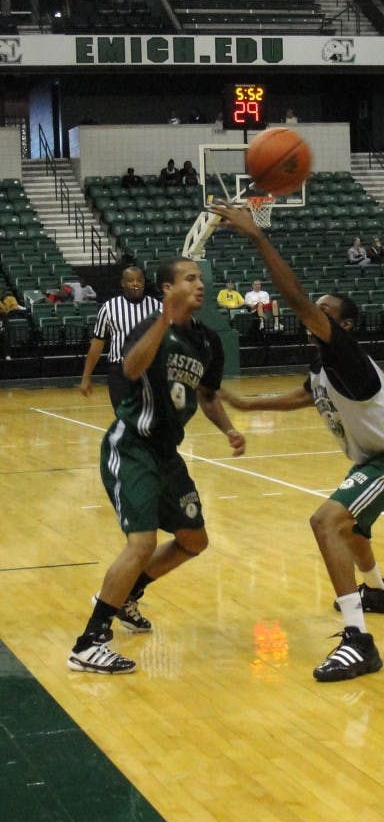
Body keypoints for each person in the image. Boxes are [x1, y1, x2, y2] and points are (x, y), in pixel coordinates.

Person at [208, 201, 384, 682]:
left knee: (325, 522)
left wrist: (258, 238)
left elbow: (299, 301)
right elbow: (304, 396)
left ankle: (359, 640)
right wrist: (248, 405)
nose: (315, 317)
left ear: (343, 326)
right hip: (375, 458)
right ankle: (378, 592)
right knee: (352, 528)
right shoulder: (324, 365)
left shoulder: (344, 351)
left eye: (326, 314)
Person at [67, 256, 246, 674]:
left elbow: (206, 395)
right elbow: (130, 368)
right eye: (189, 278)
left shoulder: (208, 342)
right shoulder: (150, 327)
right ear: (166, 289)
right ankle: (89, 642)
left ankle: (128, 593)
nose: (200, 285)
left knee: (193, 540)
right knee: (142, 543)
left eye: (201, 278)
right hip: (132, 446)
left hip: (168, 454)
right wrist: (163, 321)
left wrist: (228, 430)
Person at [79, 266, 161, 409]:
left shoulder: (158, 308)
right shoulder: (109, 308)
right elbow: (97, 344)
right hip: (120, 372)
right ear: (123, 283)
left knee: (150, 419)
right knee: (123, 417)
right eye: (131, 280)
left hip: (150, 371)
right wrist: (86, 377)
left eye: (139, 280)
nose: (135, 284)